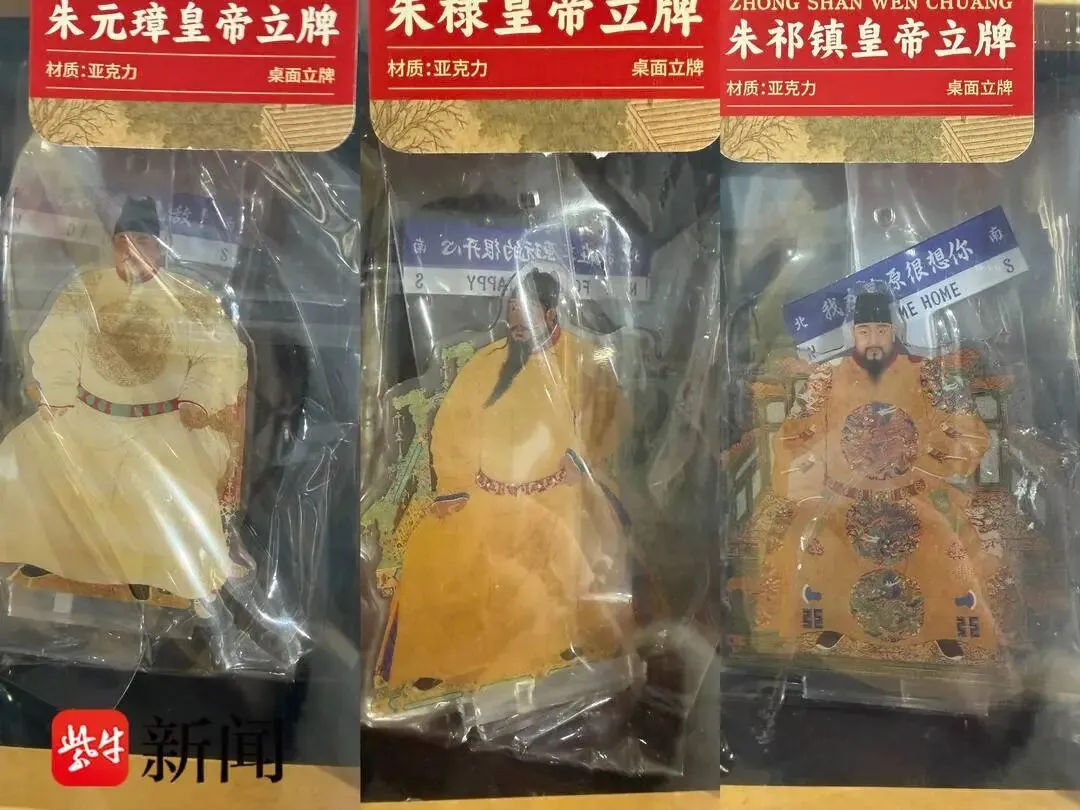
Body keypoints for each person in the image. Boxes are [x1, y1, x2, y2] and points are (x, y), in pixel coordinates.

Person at [377, 269, 632, 697]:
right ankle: (441, 662)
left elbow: (610, 417)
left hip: (559, 492)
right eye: (511, 307)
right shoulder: (485, 362)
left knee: (571, 550)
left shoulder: (582, 359)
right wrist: (455, 485)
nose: (516, 318)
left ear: (550, 313)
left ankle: (557, 652)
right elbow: (452, 426)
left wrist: (582, 461)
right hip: (483, 494)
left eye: (525, 308)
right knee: (432, 550)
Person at [0, 196, 248, 604]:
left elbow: (219, 356)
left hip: (162, 424)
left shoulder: (192, 296)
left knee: (164, 487)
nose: (132, 249)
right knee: (24, 455)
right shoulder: (86, 289)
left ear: (160, 248)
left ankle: (145, 571)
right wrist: (57, 393)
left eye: (143, 241)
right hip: (86, 413)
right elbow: (57, 343)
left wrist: (198, 398)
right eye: (123, 240)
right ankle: (50, 555)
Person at [758, 288, 1000, 661]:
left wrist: (924, 465)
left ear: (894, 330)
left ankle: (943, 627)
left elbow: (966, 430)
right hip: (843, 493)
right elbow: (797, 435)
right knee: (817, 546)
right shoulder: (827, 376)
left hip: (915, 489)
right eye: (864, 331)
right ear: (852, 332)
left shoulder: (927, 373)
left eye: (881, 331)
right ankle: (833, 622)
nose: (873, 340)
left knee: (946, 547)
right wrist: (819, 475)